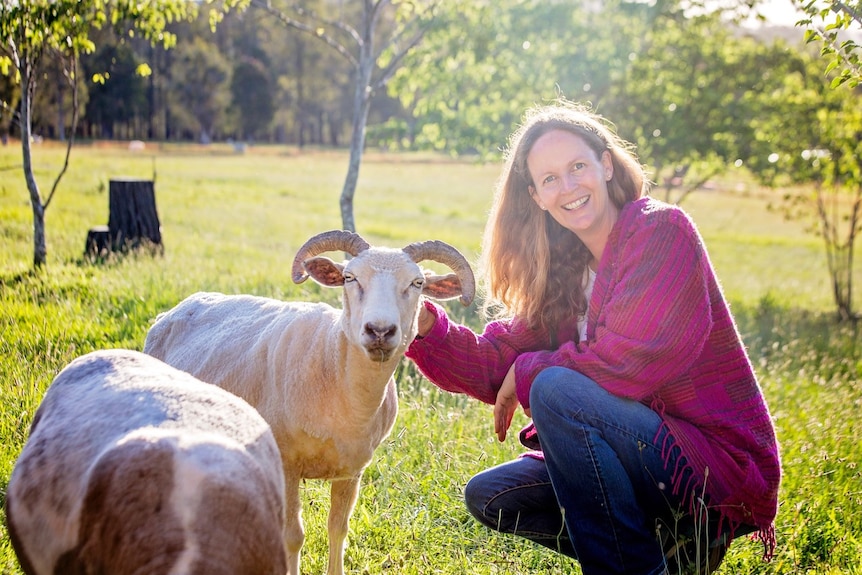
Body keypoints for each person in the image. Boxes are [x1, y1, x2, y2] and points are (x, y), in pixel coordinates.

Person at [406, 100, 781, 575]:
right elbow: (497, 363)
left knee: (554, 389)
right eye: (549, 179)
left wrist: (529, 372)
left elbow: (629, 361)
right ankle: (670, 552)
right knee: (494, 495)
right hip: (642, 456)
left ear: (605, 164)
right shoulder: (564, 273)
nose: (568, 187)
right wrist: (421, 322)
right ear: (536, 196)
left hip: (712, 464)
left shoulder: (662, 231)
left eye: (577, 166)